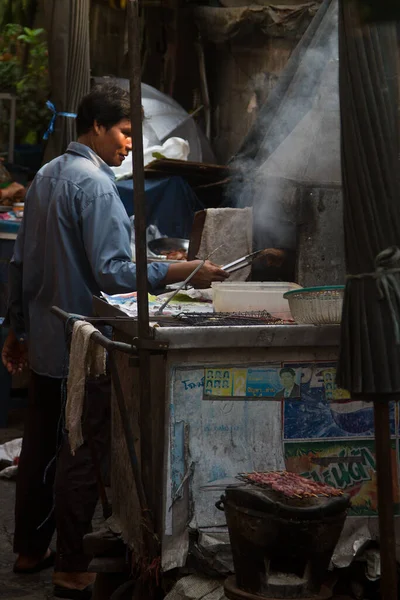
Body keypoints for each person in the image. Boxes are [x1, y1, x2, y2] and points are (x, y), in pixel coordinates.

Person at [1, 83, 228, 600]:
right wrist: (185, 270)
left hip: (46, 337)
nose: (130, 145)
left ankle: (31, 551)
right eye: (126, 133)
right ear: (97, 127)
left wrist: (17, 329)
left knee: (40, 445)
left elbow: (19, 264)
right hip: (84, 341)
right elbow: (114, 272)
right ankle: (72, 566)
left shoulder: (45, 176)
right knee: (81, 448)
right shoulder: (96, 186)